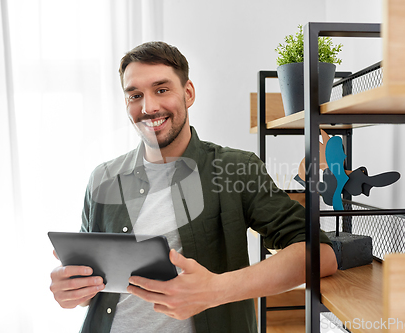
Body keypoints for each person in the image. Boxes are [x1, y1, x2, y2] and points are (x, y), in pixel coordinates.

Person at [49, 41, 338, 333]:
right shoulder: (103, 178)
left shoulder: (236, 169)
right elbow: (93, 282)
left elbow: (321, 255)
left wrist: (216, 288)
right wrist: (72, 292)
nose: (148, 107)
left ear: (188, 93)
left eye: (161, 90)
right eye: (135, 95)